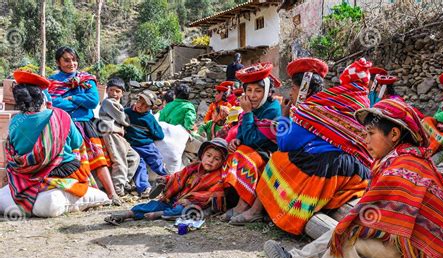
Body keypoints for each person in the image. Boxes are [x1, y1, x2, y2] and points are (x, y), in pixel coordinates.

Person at [264, 99, 443, 258]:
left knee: (351, 238)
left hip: (430, 255)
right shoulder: (402, 159)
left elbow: (373, 218)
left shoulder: (403, 167)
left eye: (371, 134)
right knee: (347, 228)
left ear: (394, 135)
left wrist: (353, 226)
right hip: (419, 243)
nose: (366, 140)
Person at [237, 58, 372, 229]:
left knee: (279, 160)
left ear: (303, 89)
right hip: (356, 170)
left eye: (293, 89)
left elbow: (285, 144)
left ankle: (262, 212)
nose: (291, 94)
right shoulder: (336, 106)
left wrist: (285, 116)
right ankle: (261, 211)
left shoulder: (309, 111)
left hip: (332, 168)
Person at [1, 70, 101, 217]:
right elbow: (77, 143)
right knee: (76, 163)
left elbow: (13, 148)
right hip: (62, 170)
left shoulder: (14, 122)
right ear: (42, 96)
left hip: (26, 173)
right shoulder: (61, 117)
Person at [48, 46, 120, 204]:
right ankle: (79, 195)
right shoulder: (53, 82)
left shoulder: (86, 79)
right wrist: (80, 102)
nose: (71, 63)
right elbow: (52, 103)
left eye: (74, 60)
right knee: (72, 161)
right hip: (63, 125)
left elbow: (93, 101)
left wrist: (72, 99)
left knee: (98, 159)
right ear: (58, 62)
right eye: (66, 60)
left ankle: (112, 194)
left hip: (85, 125)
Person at [104, 138, 228, 225]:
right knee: (153, 204)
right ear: (202, 155)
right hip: (175, 198)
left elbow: (212, 194)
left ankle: (160, 214)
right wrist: (166, 179)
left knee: (184, 211)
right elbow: (178, 176)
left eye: (216, 159)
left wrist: (190, 199)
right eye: (208, 155)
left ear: (222, 162)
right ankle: (128, 214)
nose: (210, 160)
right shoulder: (193, 167)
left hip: (190, 203)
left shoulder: (218, 177)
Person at [220, 62, 282, 222]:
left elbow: (254, 139)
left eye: (258, 91)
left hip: (269, 154)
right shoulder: (250, 106)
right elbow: (243, 132)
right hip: (251, 149)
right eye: (249, 90)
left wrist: (247, 112)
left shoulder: (272, 109)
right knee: (233, 153)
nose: (253, 95)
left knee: (244, 157)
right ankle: (234, 201)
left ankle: (243, 204)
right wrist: (236, 139)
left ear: (267, 92)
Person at [98, 77, 140, 198]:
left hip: (120, 136)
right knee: (119, 161)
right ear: (107, 91)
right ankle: (118, 191)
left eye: (117, 91)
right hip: (111, 134)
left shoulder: (117, 104)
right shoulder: (108, 102)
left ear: (122, 93)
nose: (114, 94)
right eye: (111, 90)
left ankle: (125, 182)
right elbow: (123, 119)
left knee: (134, 157)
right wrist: (127, 119)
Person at [124, 90, 167, 197]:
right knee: (139, 165)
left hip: (147, 145)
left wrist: (150, 135)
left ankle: (168, 179)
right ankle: (145, 189)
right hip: (132, 146)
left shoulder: (149, 118)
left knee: (156, 161)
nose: (140, 105)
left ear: (149, 108)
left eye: (145, 105)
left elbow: (160, 135)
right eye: (140, 101)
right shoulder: (127, 112)